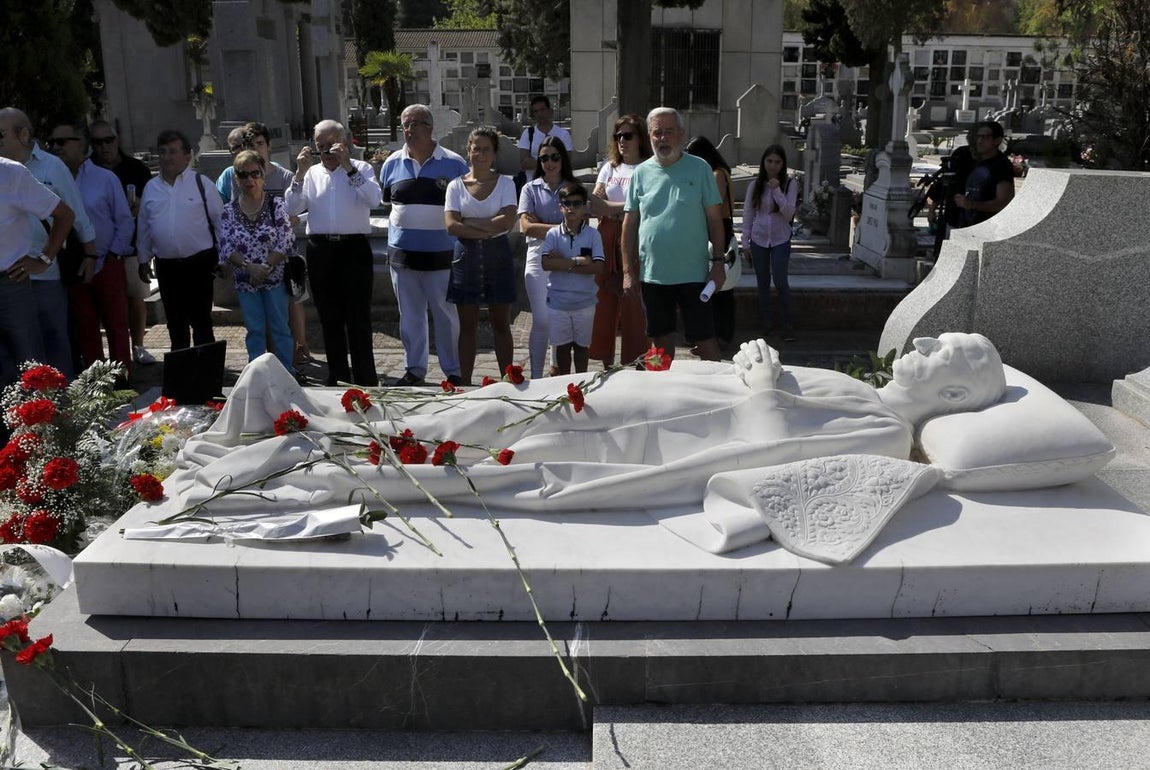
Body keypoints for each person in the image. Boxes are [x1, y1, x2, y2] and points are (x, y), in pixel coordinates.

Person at [181, 333, 1007, 519]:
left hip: (652, 436)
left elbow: (775, 458)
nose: (927, 343)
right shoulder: (860, 386)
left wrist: (758, 381)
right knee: (490, 403)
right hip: (659, 393)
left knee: (485, 425)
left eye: (948, 355)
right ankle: (301, 411)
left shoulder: (882, 437)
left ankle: (300, 429)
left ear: (960, 402)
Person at [622, 107, 726, 362]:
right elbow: (629, 225)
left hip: (695, 274)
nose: (663, 138)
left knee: (705, 341)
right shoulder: (640, 173)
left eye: (669, 131)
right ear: (649, 136)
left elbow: (715, 220)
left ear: (681, 134)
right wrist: (627, 271)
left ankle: (716, 394)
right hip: (654, 275)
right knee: (660, 345)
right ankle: (662, 396)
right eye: (657, 133)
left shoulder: (700, 168)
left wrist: (719, 264)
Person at [0, 107, 97, 378]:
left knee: (45, 346)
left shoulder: (28, 170)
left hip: (27, 275)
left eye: (1, 133)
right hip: (19, 272)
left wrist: (86, 254)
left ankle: (57, 411)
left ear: (23, 133)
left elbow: (71, 212)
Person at [286, 119, 382, 387]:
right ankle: (338, 376)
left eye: (332, 145)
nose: (327, 151)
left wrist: (348, 166)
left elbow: (374, 199)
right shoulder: (312, 173)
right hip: (321, 248)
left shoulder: (361, 168)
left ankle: (366, 378)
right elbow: (291, 208)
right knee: (329, 317)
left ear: (345, 142)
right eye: (321, 146)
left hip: (354, 249)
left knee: (358, 317)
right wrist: (299, 174)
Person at [378, 104, 468, 387]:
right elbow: (387, 206)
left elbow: (464, 208)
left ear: (430, 127)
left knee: (446, 315)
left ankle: (453, 370)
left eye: (416, 123)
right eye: (405, 124)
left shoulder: (454, 164)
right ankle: (414, 369)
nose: (410, 130)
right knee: (411, 316)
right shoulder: (391, 163)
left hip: (442, 257)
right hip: (403, 258)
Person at [215, 121, 311, 367]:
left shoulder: (275, 205)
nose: (250, 180)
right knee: (255, 331)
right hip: (246, 282)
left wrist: (265, 267)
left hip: (274, 279)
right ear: (236, 179)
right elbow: (225, 246)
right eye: (243, 175)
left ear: (262, 175)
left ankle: (285, 376)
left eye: (255, 173)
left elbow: (287, 238)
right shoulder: (228, 211)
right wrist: (249, 267)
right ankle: (257, 379)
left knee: (280, 329)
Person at [48, 121, 134, 382]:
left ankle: (121, 379)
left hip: (107, 262)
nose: (56, 148)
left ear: (82, 146)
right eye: (53, 142)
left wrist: (112, 255)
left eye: (63, 142)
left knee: (117, 325)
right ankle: (97, 383)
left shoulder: (105, 178)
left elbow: (124, 220)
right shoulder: (48, 179)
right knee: (85, 326)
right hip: (71, 265)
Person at [136, 129, 224, 352]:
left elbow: (221, 223)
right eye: (163, 152)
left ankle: (207, 376)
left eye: (173, 152)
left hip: (199, 263)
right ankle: (183, 377)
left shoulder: (202, 183)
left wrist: (224, 258)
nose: (167, 157)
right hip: (167, 266)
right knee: (176, 324)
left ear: (187, 156)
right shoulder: (151, 188)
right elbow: (145, 225)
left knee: (202, 321)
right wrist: (143, 258)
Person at [444, 127, 518, 385]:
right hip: (465, 256)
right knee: (468, 326)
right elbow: (452, 225)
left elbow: (507, 222)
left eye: (486, 149)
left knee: (501, 323)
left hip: (497, 256)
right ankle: (464, 383)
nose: (481, 154)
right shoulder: (455, 185)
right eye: (476, 148)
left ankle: (508, 380)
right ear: (468, 151)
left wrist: (471, 223)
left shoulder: (506, 184)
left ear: (494, 154)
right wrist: (489, 225)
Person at [0, 156, 74, 392]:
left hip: (10, 282)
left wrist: (44, 259)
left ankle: (41, 426)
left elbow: (64, 214)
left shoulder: (11, 174)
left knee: (30, 367)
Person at [88, 120, 157, 366]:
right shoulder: (87, 171)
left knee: (135, 298)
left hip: (132, 242)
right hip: (99, 248)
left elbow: (149, 205)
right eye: (98, 142)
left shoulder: (135, 169)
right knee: (105, 306)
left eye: (109, 140)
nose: (105, 146)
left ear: (118, 140)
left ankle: (137, 346)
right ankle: (109, 357)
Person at [588, 115, 650, 368]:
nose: (622, 141)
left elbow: (646, 205)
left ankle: (635, 359)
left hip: (636, 236)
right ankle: (605, 359)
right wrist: (626, 207)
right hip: (607, 236)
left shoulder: (648, 167)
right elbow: (594, 204)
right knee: (604, 297)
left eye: (628, 135)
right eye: (618, 136)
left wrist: (612, 207)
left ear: (640, 138)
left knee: (632, 297)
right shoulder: (609, 167)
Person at [518, 136, 576, 378]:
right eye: (544, 158)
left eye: (554, 157)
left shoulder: (573, 188)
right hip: (537, 256)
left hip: (566, 257)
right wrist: (559, 226)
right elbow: (525, 227)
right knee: (541, 319)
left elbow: (577, 224)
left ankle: (558, 373)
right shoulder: (529, 189)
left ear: (562, 158)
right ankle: (535, 376)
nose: (550, 162)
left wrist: (541, 225)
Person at [540, 182, 605, 374]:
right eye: (567, 203)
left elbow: (598, 266)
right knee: (561, 348)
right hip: (558, 301)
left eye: (577, 203)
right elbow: (546, 264)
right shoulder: (552, 234)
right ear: (560, 207)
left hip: (584, 302)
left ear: (585, 206)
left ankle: (581, 385)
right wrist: (579, 261)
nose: (571, 208)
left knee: (581, 348)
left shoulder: (593, 235)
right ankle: (565, 385)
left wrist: (564, 263)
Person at [684, 135, 737, 348]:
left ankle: (719, 335)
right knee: (711, 286)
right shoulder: (718, 172)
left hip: (718, 228)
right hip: (714, 227)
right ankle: (711, 334)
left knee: (719, 287)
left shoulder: (717, 175)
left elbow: (711, 204)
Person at [741, 145, 798, 340]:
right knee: (762, 283)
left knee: (781, 281)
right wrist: (745, 243)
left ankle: (788, 325)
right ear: (764, 162)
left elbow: (789, 213)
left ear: (783, 164)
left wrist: (776, 191)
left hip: (781, 238)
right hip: (759, 239)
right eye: (769, 161)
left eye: (777, 162)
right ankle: (767, 323)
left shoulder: (790, 184)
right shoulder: (754, 186)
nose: (773, 166)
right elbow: (748, 214)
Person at [953, 120, 1015, 227]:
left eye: (985, 137)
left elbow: (1003, 202)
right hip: (967, 225)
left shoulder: (1001, 165)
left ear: (997, 140)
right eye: (978, 136)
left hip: (988, 227)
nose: (980, 141)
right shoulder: (977, 162)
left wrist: (971, 204)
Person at [517, 95, 573, 183]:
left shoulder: (563, 134)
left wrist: (535, 162)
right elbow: (524, 163)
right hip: (533, 184)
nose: (540, 114)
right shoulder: (528, 134)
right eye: (536, 111)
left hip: (558, 185)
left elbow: (566, 162)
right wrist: (552, 162)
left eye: (542, 110)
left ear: (550, 111)